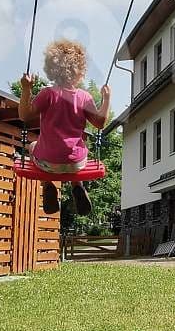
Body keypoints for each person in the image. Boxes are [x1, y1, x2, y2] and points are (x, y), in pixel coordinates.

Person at [18, 39, 110, 215]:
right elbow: (100, 123)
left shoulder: (47, 94)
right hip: (77, 164)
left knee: (32, 146)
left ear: (51, 68)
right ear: (80, 71)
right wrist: (106, 99)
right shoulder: (84, 97)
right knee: (80, 148)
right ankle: (77, 185)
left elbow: (25, 115)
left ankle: (47, 185)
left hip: (47, 163)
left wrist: (26, 89)